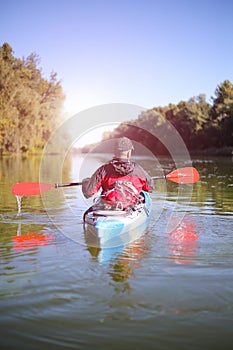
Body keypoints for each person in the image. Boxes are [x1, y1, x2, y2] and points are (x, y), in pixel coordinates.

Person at [82, 137, 154, 210]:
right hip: (129, 208)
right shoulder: (139, 170)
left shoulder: (103, 170)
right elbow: (150, 188)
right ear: (129, 153)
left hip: (108, 207)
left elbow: (88, 193)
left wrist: (86, 182)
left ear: (115, 152)